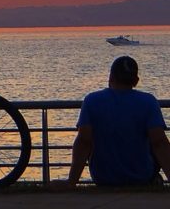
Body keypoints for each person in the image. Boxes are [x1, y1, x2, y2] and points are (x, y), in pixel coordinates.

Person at [65, 56, 170, 187]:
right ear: (136, 81)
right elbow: (159, 143)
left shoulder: (92, 101)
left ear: (111, 77)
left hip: (103, 178)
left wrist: (71, 181)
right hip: (141, 176)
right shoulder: (148, 102)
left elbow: (83, 142)